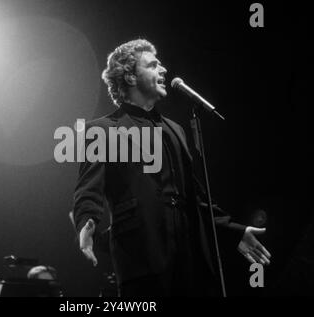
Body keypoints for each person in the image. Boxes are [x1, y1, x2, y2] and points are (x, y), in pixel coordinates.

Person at [72, 39, 271, 296]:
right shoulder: (102, 130)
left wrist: (234, 232)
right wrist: (86, 221)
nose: (163, 69)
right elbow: (88, 187)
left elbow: (195, 198)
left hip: (190, 264)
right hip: (142, 260)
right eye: (153, 65)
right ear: (130, 77)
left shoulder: (175, 130)